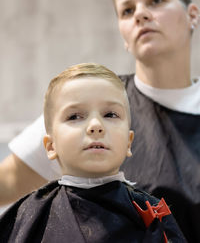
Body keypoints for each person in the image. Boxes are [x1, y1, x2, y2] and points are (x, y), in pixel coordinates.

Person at [0, 0, 199, 242]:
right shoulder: (92, 96)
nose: (141, 14)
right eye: (127, 10)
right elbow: (7, 180)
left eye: (156, 1)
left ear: (192, 14)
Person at [0, 63, 186, 243]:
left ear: (129, 142)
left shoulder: (152, 215)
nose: (96, 126)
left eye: (110, 115)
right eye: (75, 116)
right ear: (50, 146)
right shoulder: (28, 218)